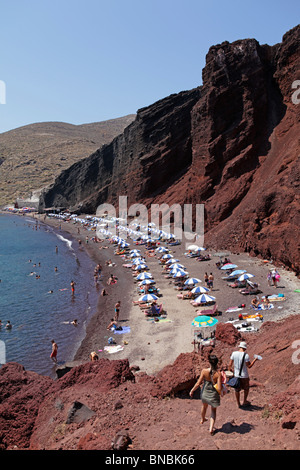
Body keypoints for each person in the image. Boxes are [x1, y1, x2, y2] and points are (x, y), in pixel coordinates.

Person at [189, 354, 222, 435]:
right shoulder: (218, 374)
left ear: (209, 362)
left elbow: (198, 383)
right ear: (217, 363)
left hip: (205, 393)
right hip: (213, 394)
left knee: (204, 406)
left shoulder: (204, 371)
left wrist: (192, 390)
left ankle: (202, 419)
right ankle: (211, 429)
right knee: (213, 410)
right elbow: (219, 388)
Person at [228, 342, 258, 408]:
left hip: (236, 375)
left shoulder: (234, 353)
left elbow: (230, 364)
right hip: (244, 375)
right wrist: (255, 360)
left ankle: (238, 403)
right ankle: (244, 401)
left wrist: (230, 371)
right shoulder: (246, 355)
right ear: (245, 348)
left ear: (239, 347)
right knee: (246, 388)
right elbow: (249, 366)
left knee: (237, 390)